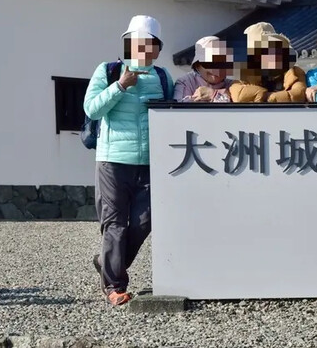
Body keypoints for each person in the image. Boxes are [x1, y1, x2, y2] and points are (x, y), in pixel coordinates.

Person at [83, 15, 174, 306]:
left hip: (150, 161)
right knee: (115, 225)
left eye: (148, 44)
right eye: (135, 42)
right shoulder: (108, 71)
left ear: (157, 49)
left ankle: (105, 261)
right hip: (112, 160)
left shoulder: (162, 77)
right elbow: (91, 109)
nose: (141, 49)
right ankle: (114, 285)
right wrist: (120, 86)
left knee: (144, 221)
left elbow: (172, 115)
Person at [230, 22, 307, 103]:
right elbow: (238, 94)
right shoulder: (245, 75)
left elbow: (298, 94)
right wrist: (266, 95)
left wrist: (265, 98)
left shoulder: (294, 72)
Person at [174, 36, 233, 102]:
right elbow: (180, 109)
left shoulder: (234, 86)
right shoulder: (185, 82)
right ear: (197, 65)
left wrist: (213, 94)